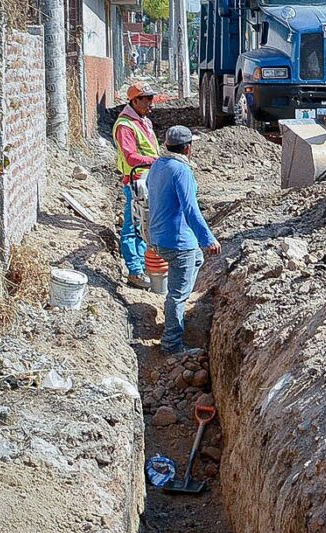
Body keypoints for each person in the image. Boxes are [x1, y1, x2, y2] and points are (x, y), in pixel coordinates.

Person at [146, 126, 221, 355]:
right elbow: (191, 209)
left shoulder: (158, 165)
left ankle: (182, 310)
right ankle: (172, 345)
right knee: (177, 295)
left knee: (195, 261)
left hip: (157, 236)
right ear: (188, 147)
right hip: (178, 242)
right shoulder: (181, 170)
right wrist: (208, 239)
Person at [112, 82, 161, 289]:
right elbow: (131, 157)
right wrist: (155, 161)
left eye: (152, 98)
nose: (151, 103)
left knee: (144, 225)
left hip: (147, 179)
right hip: (136, 181)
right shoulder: (125, 126)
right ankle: (134, 270)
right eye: (147, 99)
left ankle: (142, 265)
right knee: (133, 226)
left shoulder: (143, 121)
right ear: (134, 101)